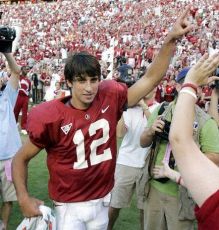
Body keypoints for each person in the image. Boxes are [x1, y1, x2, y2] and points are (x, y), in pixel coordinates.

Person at [12, 9, 192, 230]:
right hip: (69, 205)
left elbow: (151, 78)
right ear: (68, 81)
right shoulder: (52, 116)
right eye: (81, 80)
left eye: (93, 79)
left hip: (102, 199)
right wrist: (22, 197)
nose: (89, 88)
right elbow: (20, 159)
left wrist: (170, 40)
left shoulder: (110, 95)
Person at [140, 67, 219, 229]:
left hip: (182, 195)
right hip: (154, 187)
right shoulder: (162, 109)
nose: (194, 89)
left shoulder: (206, 121)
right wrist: (150, 131)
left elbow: (215, 158)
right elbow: (143, 142)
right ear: (177, 86)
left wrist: (186, 148)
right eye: (189, 84)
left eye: (198, 86)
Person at [169, 53, 219, 229]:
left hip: (192, 189)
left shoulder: (206, 121)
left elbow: (180, 140)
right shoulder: (163, 109)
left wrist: (190, 83)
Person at [108, 90, 158, 230]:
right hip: (126, 162)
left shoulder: (159, 107)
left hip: (147, 164)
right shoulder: (130, 110)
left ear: (155, 88)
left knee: (144, 208)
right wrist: (122, 110)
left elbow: (156, 129)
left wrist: (143, 106)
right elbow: (119, 133)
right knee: (115, 204)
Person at [0, 52, 21, 229]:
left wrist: (6, 51)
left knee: (9, 198)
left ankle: (4, 226)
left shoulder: (8, 96)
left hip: (9, 158)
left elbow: (16, 71)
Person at [14, 66, 31, 135]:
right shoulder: (18, 77)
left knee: (24, 113)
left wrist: (27, 98)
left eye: (27, 69)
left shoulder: (28, 81)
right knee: (15, 111)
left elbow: (29, 90)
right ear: (21, 70)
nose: (26, 70)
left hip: (25, 98)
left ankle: (23, 127)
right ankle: (14, 124)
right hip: (18, 96)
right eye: (25, 69)